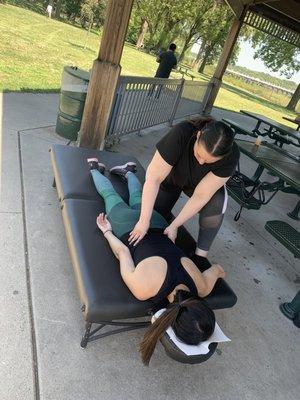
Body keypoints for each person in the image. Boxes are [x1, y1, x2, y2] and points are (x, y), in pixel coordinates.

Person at [88, 158, 225, 365]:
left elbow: (218, 269)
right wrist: (107, 231)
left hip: (157, 224)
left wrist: (217, 274)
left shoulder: (202, 286)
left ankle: (129, 172)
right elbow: (123, 252)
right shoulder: (144, 289)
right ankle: (93, 168)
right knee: (110, 195)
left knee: (137, 197)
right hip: (126, 226)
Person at [128, 117, 240, 268]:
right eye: (199, 155)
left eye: (208, 161)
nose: (201, 162)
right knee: (154, 217)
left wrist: (175, 226)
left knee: (216, 203)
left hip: (200, 184)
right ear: (198, 135)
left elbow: (201, 196)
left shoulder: (231, 156)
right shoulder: (181, 132)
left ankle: (200, 257)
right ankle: (127, 173)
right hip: (173, 176)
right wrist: (143, 222)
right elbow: (153, 179)